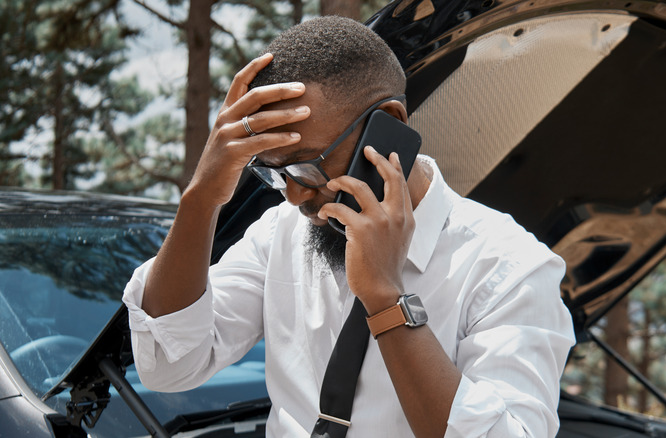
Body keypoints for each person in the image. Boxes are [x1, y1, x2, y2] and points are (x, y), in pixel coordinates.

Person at [123, 16, 575, 438]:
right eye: (274, 172)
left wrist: (385, 299)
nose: (295, 195)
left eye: (309, 166)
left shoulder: (510, 267)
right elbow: (169, 364)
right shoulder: (279, 232)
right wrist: (201, 198)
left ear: (389, 127)